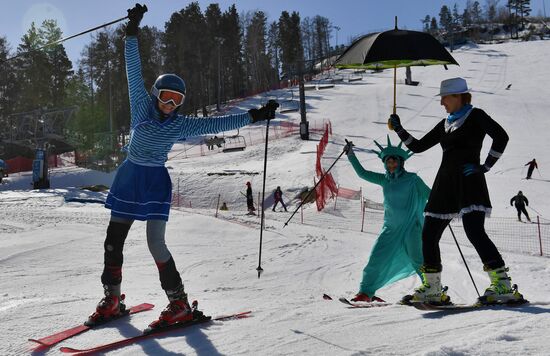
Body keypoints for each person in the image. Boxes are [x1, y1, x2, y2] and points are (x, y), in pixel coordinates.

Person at [88, 4, 278, 330]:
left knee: (155, 242)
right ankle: (113, 298)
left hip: (154, 182)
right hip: (130, 175)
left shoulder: (179, 125)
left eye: (177, 101)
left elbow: (218, 123)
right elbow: (132, 68)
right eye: (166, 97)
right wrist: (132, 31)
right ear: (155, 95)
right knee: (112, 240)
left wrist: (255, 115)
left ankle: (179, 303)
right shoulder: (140, 107)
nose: (171, 105)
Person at [390, 77, 524, 304]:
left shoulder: (476, 116)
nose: (442, 102)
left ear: (458, 96)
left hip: (469, 182)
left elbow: (501, 137)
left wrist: (486, 166)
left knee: (474, 232)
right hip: (444, 184)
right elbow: (419, 146)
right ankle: (433, 288)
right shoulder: (445, 123)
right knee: (429, 233)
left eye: (445, 98)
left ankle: (503, 285)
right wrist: (399, 128)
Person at [343, 137, 430, 302]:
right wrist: (351, 154)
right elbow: (362, 173)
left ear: (400, 162)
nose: (391, 165)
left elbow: (429, 195)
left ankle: (433, 289)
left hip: (412, 227)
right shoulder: (385, 180)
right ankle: (365, 293)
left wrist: (442, 205)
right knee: (376, 259)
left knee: (418, 260)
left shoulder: (413, 180)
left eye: (394, 162)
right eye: (388, 162)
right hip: (390, 229)